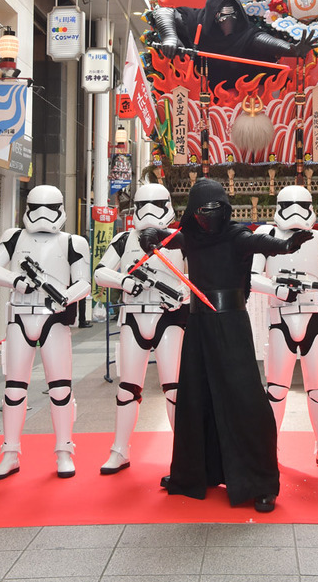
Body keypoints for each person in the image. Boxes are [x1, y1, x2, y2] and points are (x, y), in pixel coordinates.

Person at [139, 177, 312, 513]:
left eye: (218, 207)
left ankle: (261, 482)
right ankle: (193, 473)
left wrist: (287, 246)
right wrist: (150, 234)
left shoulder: (235, 235)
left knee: (245, 400)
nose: (212, 214)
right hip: (199, 323)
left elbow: (259, 242)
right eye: (204, 208)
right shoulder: (189, 236)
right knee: (196, 397)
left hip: (231, 322)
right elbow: (165, 237)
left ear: (227, 208)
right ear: (193, 210)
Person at [0, 185, 91, 480]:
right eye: (37, 208)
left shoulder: (73, 242)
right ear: (27, 208)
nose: (43, 216)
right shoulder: (14, 237)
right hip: (19, 315)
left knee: (60, 388)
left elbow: (84, 282)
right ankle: (10, 452)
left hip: (52, 318)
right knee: (14, 389)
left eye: (50, 209)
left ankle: (64, 451)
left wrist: (65, 297)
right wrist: (17, 280)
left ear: (60, 210)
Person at [94, 184, 188, 475]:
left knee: (173, 388)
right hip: (134, 316)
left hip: (169, 317)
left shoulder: (179, 240)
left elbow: (196, 277)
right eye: (142, 204)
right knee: (127, 387)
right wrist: (125, 282)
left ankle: (183, 454)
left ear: (168, 205)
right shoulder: (125, 239)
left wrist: (181, 292)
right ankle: (120, 449)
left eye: (155, 204)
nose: (148, 211)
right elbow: (100, 272)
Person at [251, 186, 318, 471]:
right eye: (288, 204)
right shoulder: (265, 235)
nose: (294, 210)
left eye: (300, 204)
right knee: (276, 388)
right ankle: (268, 447)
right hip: (281, 317)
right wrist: (278, 289)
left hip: (314, 317)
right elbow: (252, 277)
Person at [150, 0, 318, 91]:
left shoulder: (244, 33)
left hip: (237, 90)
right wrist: (170, 37)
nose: (227, 21)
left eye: (232, 15)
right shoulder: (194, 21)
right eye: (222, 16)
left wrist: (292, 50)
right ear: (212, 14)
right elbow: (163, 11)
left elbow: (264, 42)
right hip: (198, 86)